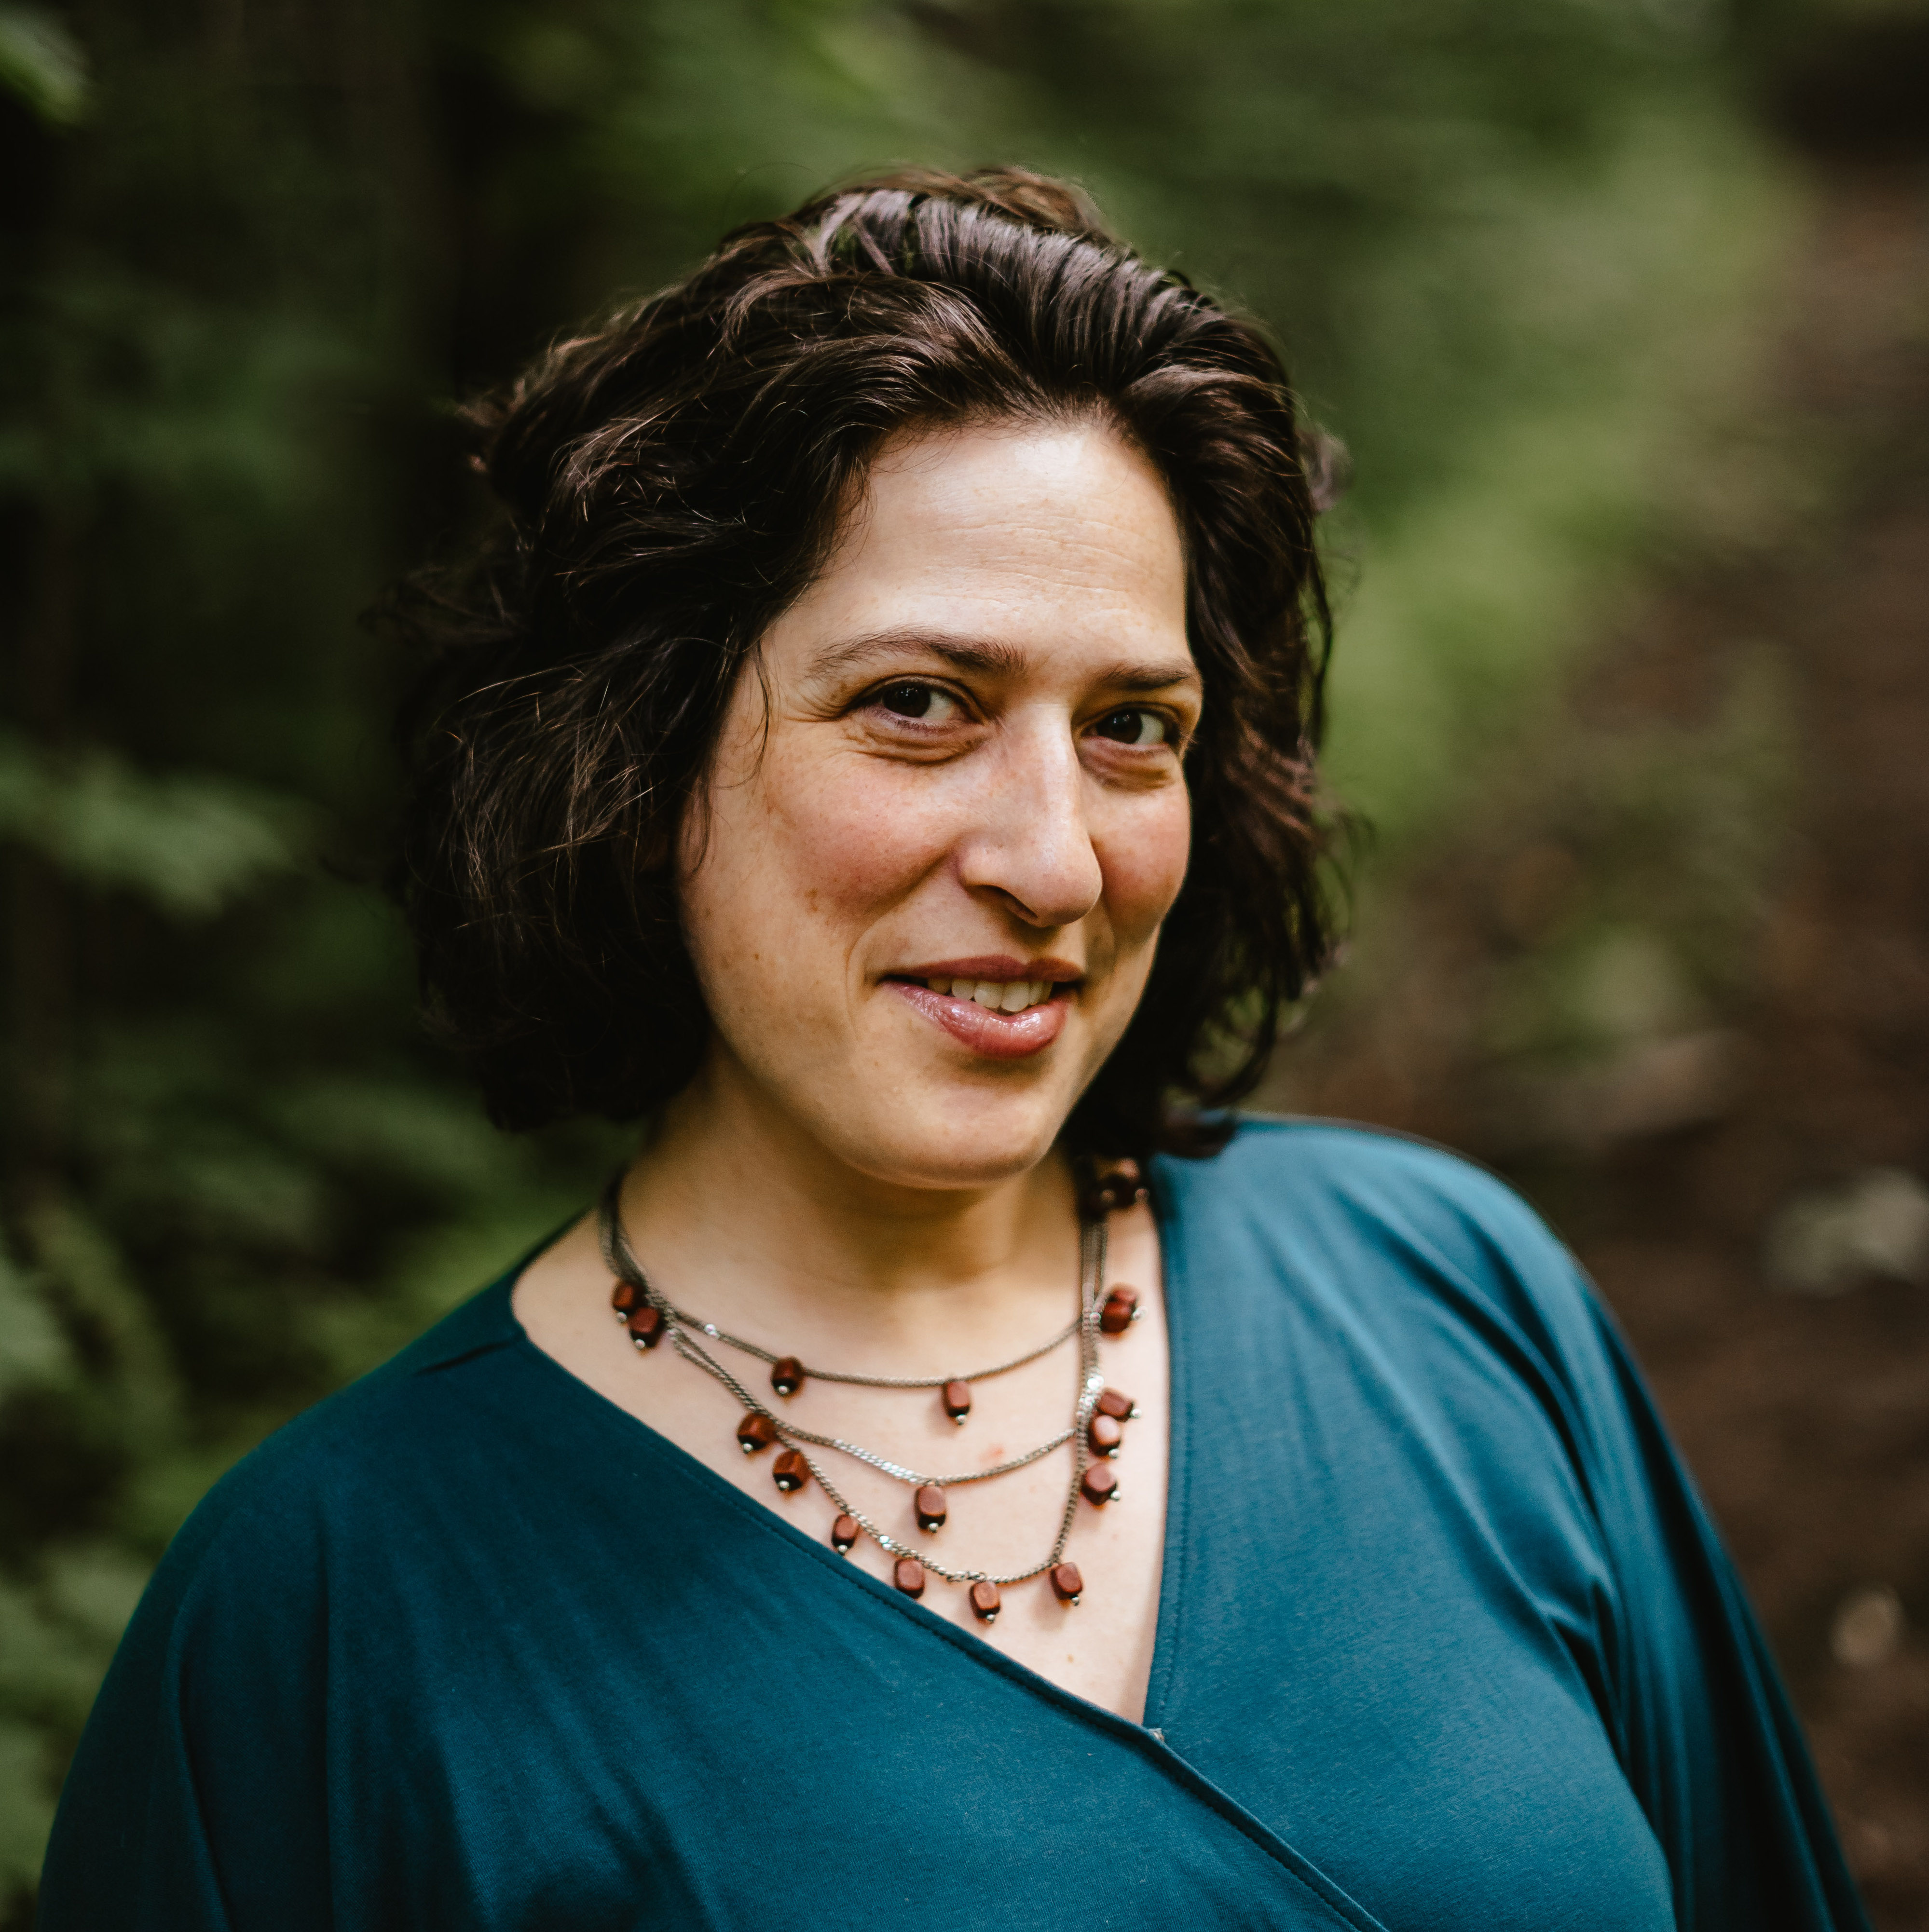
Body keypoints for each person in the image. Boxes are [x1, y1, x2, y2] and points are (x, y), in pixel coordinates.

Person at [39, 169, 1866, 1932]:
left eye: (1133, 727)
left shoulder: (1449, 1299)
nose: (1055, 857)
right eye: (919, 706)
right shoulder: (325, 1628)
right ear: (636, 750)